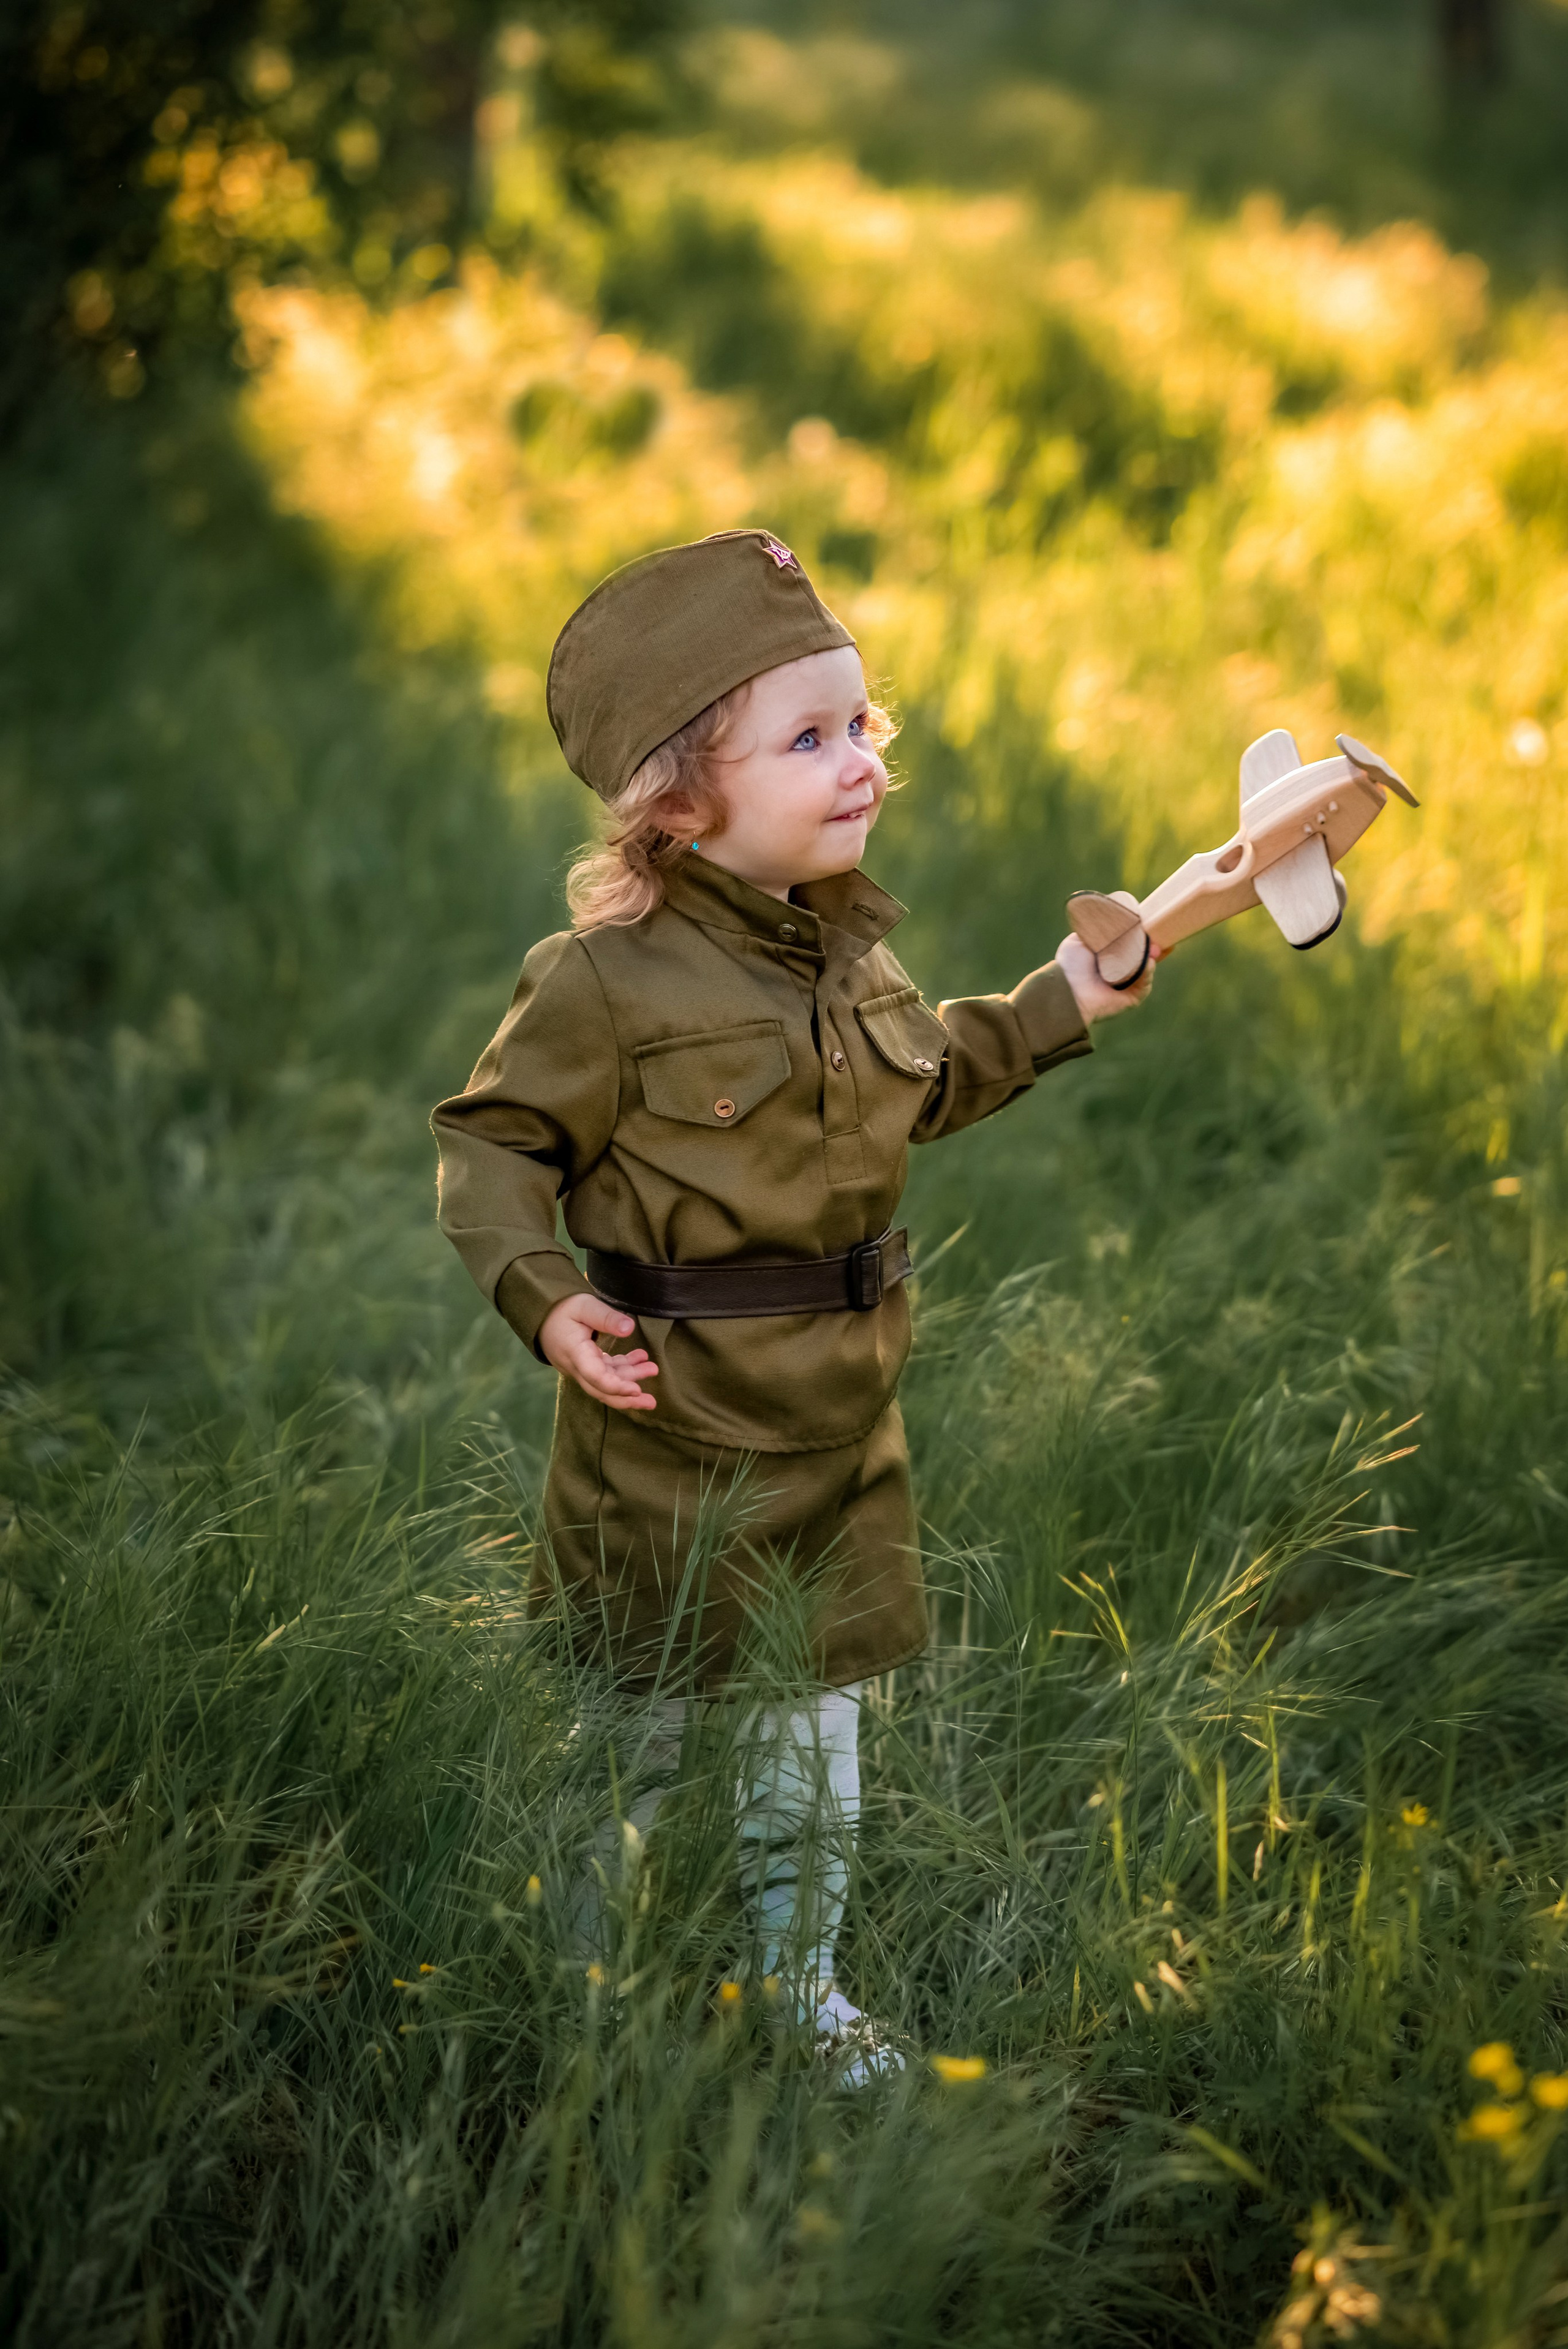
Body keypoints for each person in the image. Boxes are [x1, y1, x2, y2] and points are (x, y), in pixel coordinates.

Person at [431, 528, 1152, 2081]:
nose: (859, 764)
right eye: (810, 738)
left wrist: (1064, 1000)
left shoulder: (851, 959)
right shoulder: (604, 981)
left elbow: (927, 1078)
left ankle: (796, 1986)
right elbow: (491, 1145)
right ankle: (587, 1983)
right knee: (644, 1722)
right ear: (679, 804)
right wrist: (547, 1301)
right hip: (670, 1431)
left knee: (811, 1742)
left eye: (863, 725)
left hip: (838, 1432)